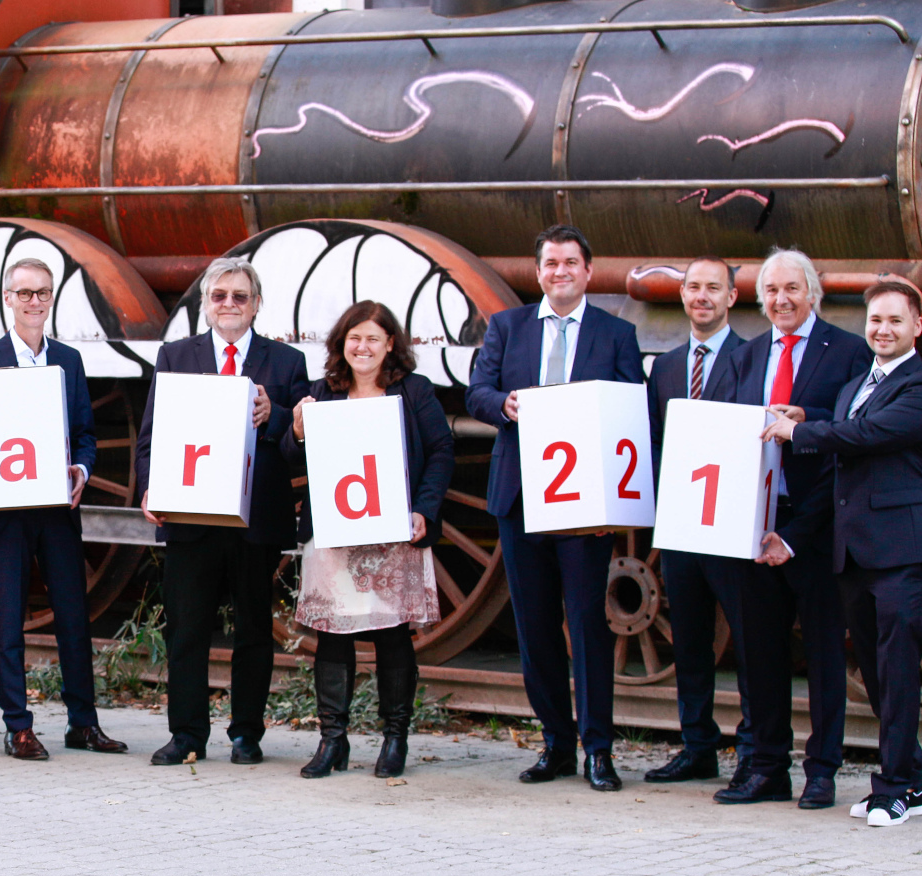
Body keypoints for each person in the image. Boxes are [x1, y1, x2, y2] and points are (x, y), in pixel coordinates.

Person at [465, 225, 644, 792]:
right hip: (520, 497)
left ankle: (598, 749)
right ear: (538, 272)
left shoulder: (617, 333)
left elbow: (628, 407)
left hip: (584, 500)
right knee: (535, 627)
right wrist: (504, 404)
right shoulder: (507, 326)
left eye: (571, 262)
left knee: (589, 625)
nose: (560, 271)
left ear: (588, 272)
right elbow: (477, 392)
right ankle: (556, 744)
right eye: (551, 263)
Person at [764, 281, 922, 827]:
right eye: (875, 321)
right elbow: (848, 435)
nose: (883, 330)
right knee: (877, 671)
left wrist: (801, 430)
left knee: (895, 670)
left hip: (904, 552)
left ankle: (892, 788)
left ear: (918, 326)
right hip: (856, 553)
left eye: (895, 321)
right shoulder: (851, 389)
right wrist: (815, 418)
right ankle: (908, 783)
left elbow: (868, 434)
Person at [708, 248, 870, 808]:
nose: (781, 300)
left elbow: (850, 441)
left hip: (817, 527)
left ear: (813, 294)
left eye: (791, 289)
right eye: (771, 291)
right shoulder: (745, 357)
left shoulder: (848, 352)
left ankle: (822, 770)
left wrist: (797, 533)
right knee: (759, 655)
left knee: (825, 654)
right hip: (753, 528)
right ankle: (766, 767)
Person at [136, 257, 308, 767]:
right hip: (191, 516)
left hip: (256, 521)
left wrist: (274, 416)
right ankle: (186, 734)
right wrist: (149, 489)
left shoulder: (287, 363)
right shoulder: (175, 356)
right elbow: (151, 434)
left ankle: (246, 735)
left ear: (256, 305)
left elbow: (301, 444)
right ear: (206, 305)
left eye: (239, 296)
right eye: (219, 296)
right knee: (186, 630)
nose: (229, 304)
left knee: (254, 632)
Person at [0, 257, 126, 761]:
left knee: (73, 617)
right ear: (8, 299)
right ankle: (17, 727)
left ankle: (83, 723)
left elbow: (85, 435)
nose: (34, 302)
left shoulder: (68, 361)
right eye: (24, 293)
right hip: (6, 513)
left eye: (42, 293)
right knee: (7, 619)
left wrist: (80, 469)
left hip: (55, 510)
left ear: (51, 299)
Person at [283, 301, 454, 779]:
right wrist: (296, 431)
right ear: (342, 343)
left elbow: (441, 450)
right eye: (355, 337)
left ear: (390, 345)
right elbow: (290, 458)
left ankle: (394, 739)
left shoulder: (414, 392)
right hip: (335, 532)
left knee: (391, 633)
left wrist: (425, 508)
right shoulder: (322, 393)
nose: (363, 347)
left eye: (373, 339)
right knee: (332, 635)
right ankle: (332, 740)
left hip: (393, 532)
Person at [642, 257, 747, 784]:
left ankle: (753, 749)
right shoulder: (664, 366)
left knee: (751, 638)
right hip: (683, 521)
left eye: (713, 287)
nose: (702, 296)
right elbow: (655, 445)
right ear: (682, 295)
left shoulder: (753, 359)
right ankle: (697, 745)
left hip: (733, 519)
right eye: (693, 287)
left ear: (732, 296)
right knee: (689, 638)